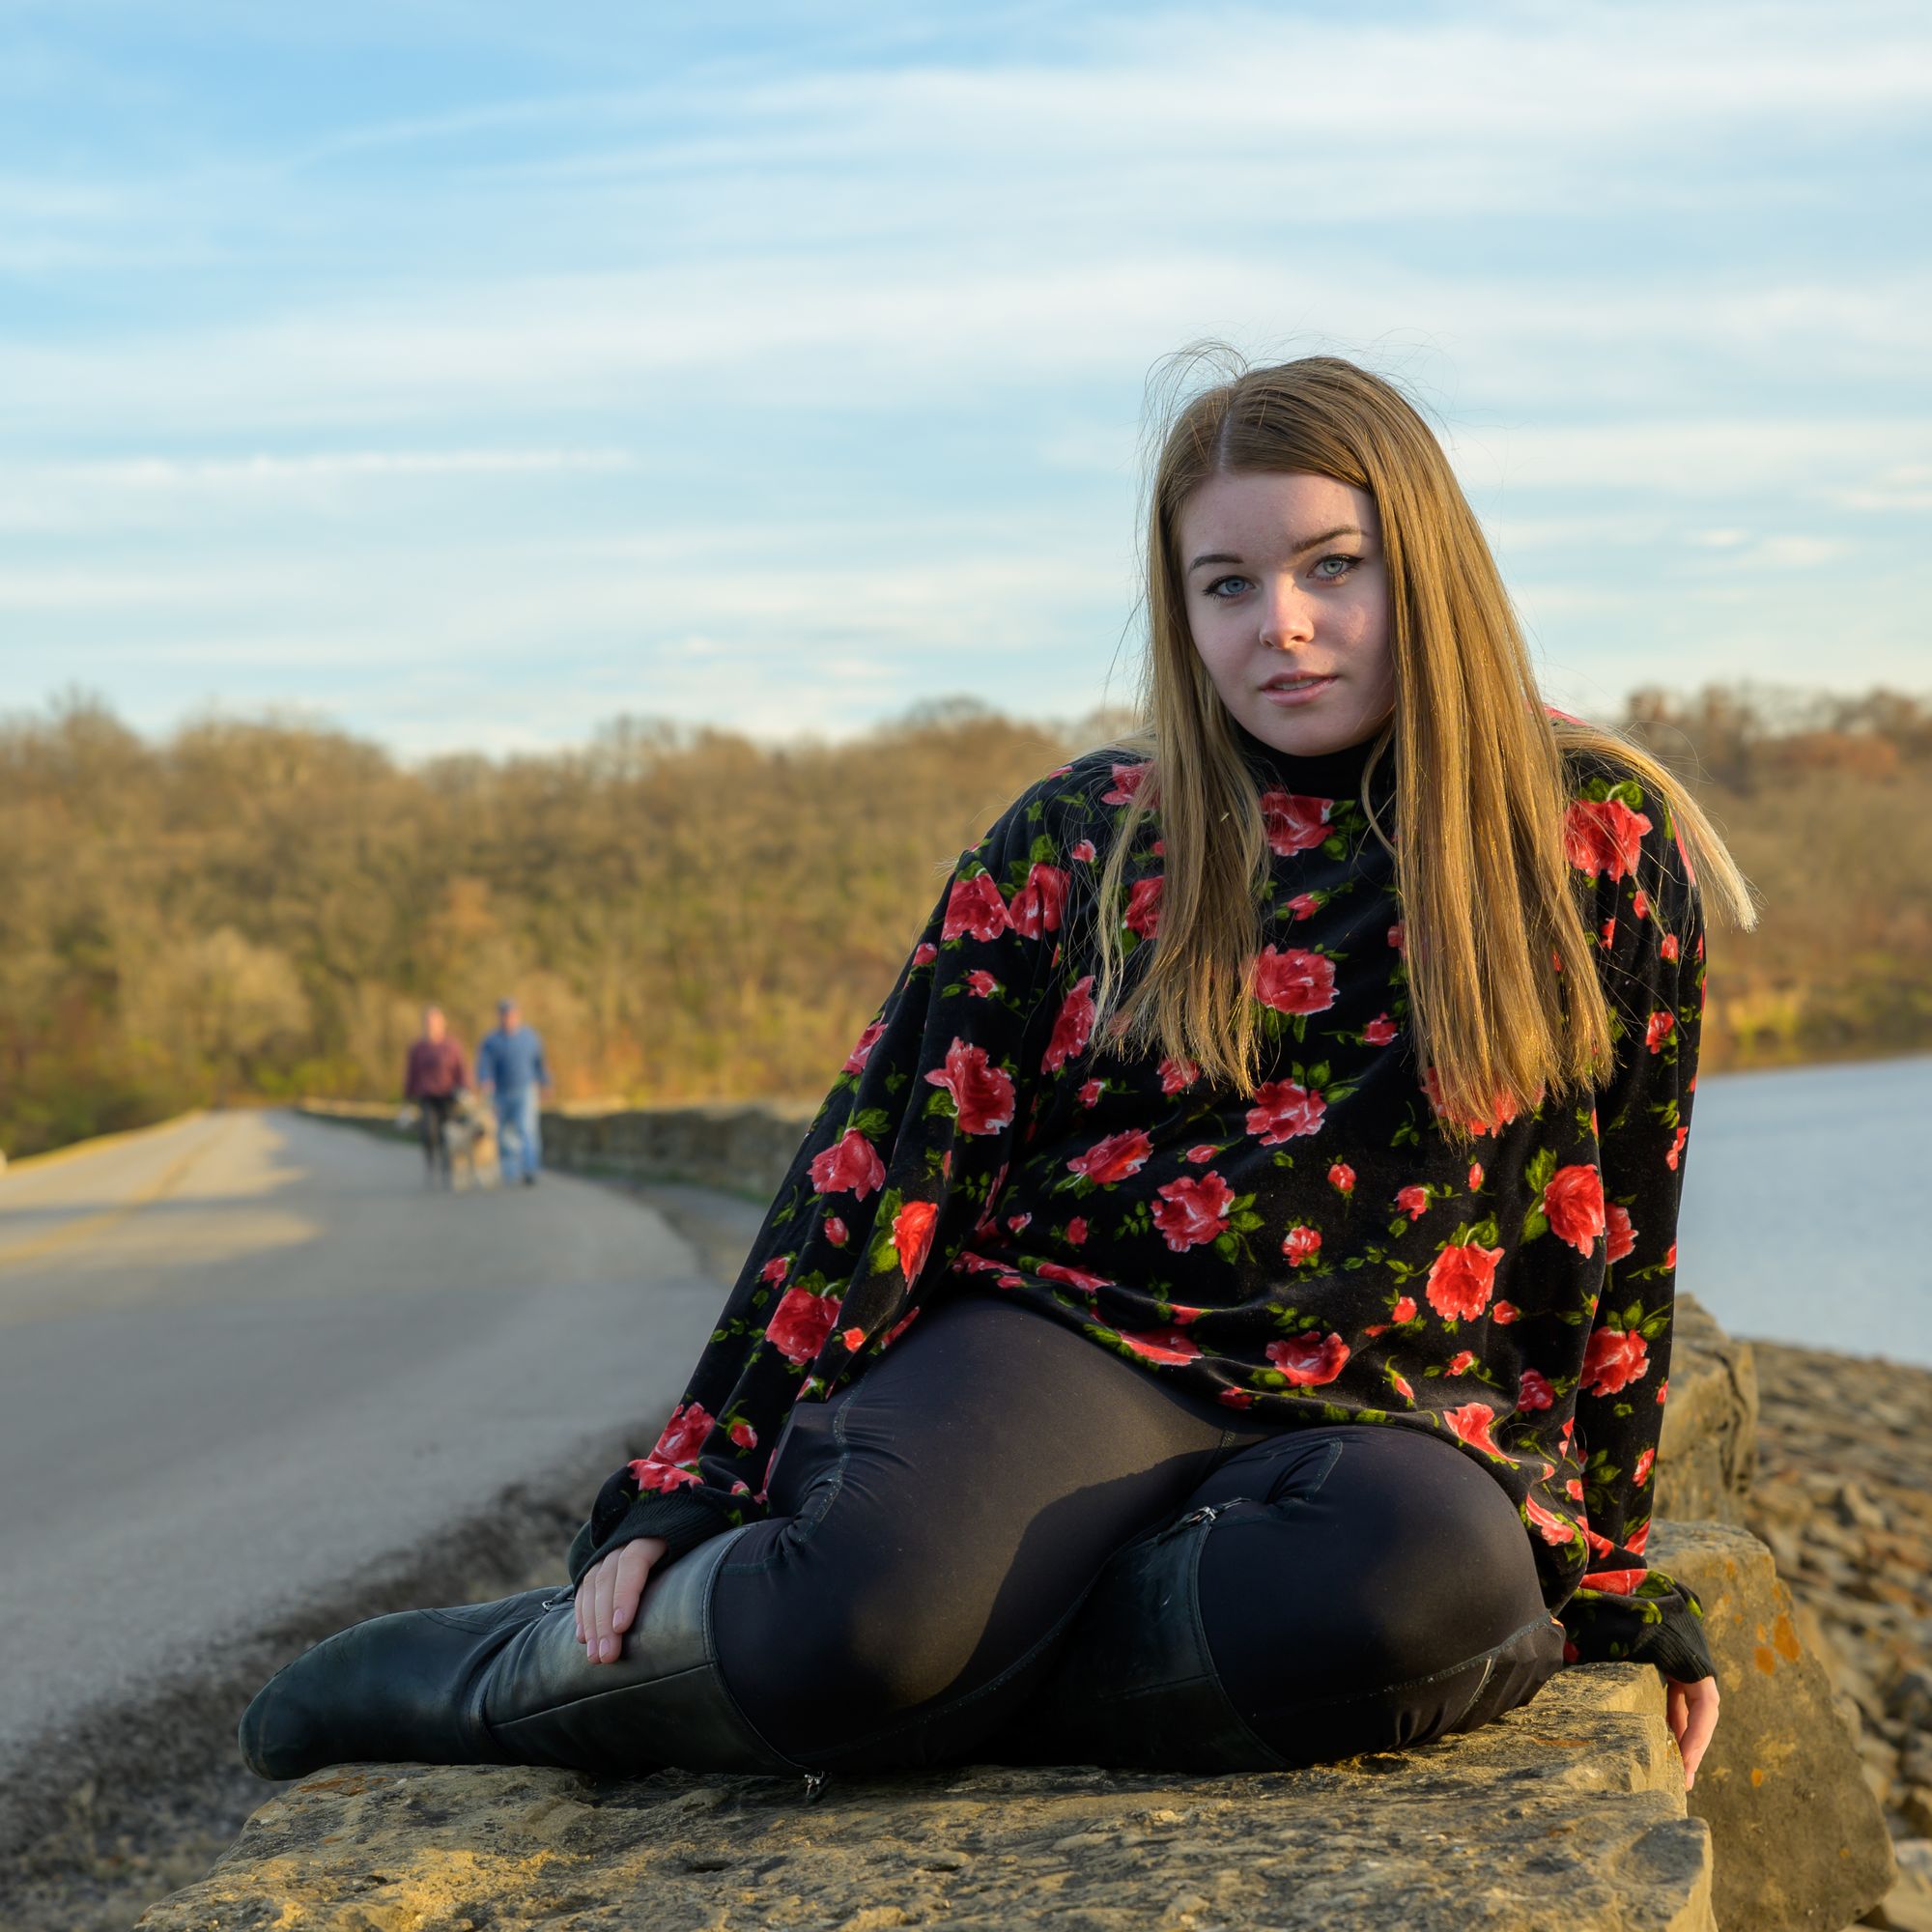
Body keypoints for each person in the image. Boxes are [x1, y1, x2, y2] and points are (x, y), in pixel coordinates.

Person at [239, 350, 1754, 1806]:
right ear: (1180, 609)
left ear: (1425, 563)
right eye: (1226, 586)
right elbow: (875, 1165)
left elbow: (1614, 1229)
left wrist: (1610, 1568)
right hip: (1066, 1343)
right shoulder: (1085, 838)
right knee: (865, 1632)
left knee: (1447, 1605)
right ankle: (493, 1677)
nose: (1279, 625)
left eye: (1330, 567)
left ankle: (980, 1659)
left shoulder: (1597, 838)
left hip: (1387, 1416)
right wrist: (697, 1471)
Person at [475, 997, 552, 1187]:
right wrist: (485, 1080)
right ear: (500, 1017)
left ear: (518, 1016)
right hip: (500, 1092)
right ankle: (509, 1171)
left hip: (525, 1089)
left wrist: (546, 1082)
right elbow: (484, 1065)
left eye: (511, 1015)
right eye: (504, 1015)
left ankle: (529, 1170)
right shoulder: (491, 1041)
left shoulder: (530, 1037)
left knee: (526, 1130)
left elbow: (539, 1063)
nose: (508, 1019)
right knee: (503, 1133)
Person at [401, 1006, 469, 1189]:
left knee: (450, 1134)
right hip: (427, 1096)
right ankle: (432, 1164)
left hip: (448, 1096)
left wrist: (465, 1090)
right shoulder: (418, 1048)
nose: (432, 1026)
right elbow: (411, 1074)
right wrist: (408, 1100)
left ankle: (449, 1166)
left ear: (443, 1024)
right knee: (428, 1133)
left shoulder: (452, 1046)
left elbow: (460, 1070)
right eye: (429, 1022)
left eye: (435, 1022)